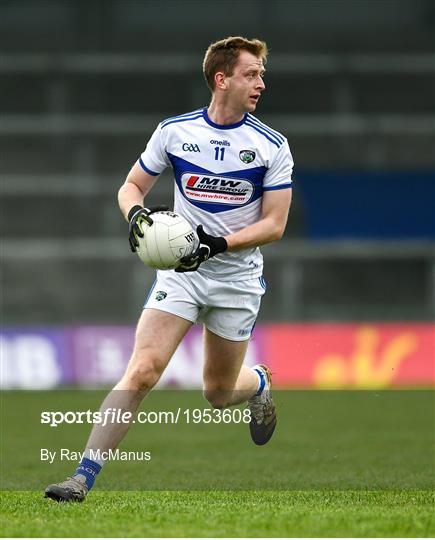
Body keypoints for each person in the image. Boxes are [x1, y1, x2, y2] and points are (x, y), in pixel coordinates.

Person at [45, 36, 294, 503]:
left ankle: (258, 381)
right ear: (222, 79)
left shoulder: (271, 146)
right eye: (252, 73)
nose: (262, 81)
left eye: (261, 73)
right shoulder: (175, 132)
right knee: (142, 370)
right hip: (182, 273)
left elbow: (275, 225)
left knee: (217, 393)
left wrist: (217, 243)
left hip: (236, 280)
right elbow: (131, 187)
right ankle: (81, 478)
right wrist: (138, 217)